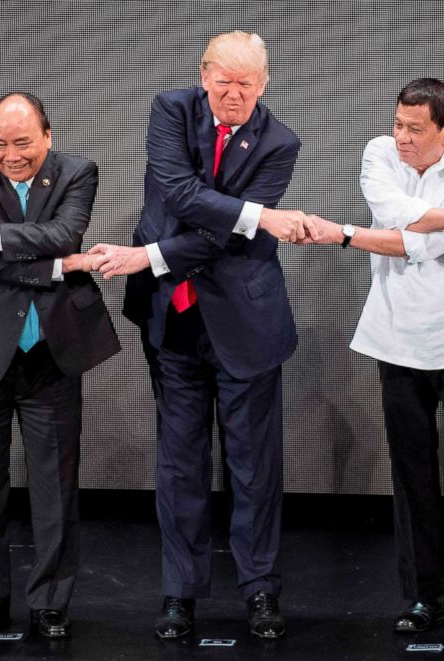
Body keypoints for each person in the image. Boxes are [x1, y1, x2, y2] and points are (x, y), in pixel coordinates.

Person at [86, 31, 321, 640]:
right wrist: (259, 216)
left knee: (253, 467)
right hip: (173, 321)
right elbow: (180, 193)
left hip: (246, 323)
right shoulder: (171, 110)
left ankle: (261, 591)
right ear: (204, 75)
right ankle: (179, 594)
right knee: (180, 463)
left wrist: (150, 256)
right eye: (224, 80)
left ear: (264, 83)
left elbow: (226, 235)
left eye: (247, 83)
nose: (234, 93)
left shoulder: (280, 143)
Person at [306, 78, 444, 635]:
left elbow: (416, 242)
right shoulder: (380, 152)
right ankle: (425, 597)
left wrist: (345, 234)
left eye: (414, 129)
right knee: (411, 473)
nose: (401, 137)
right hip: (395, 337)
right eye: (398, 123)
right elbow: (394, 212)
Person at [0, 92, 120, 639]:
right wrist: (65, 266)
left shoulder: (78, 172)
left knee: (55, 486)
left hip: (52, 355)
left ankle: (50, 603)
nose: (10, 155)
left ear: (47, 136)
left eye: (22, 143)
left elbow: (63, 233)